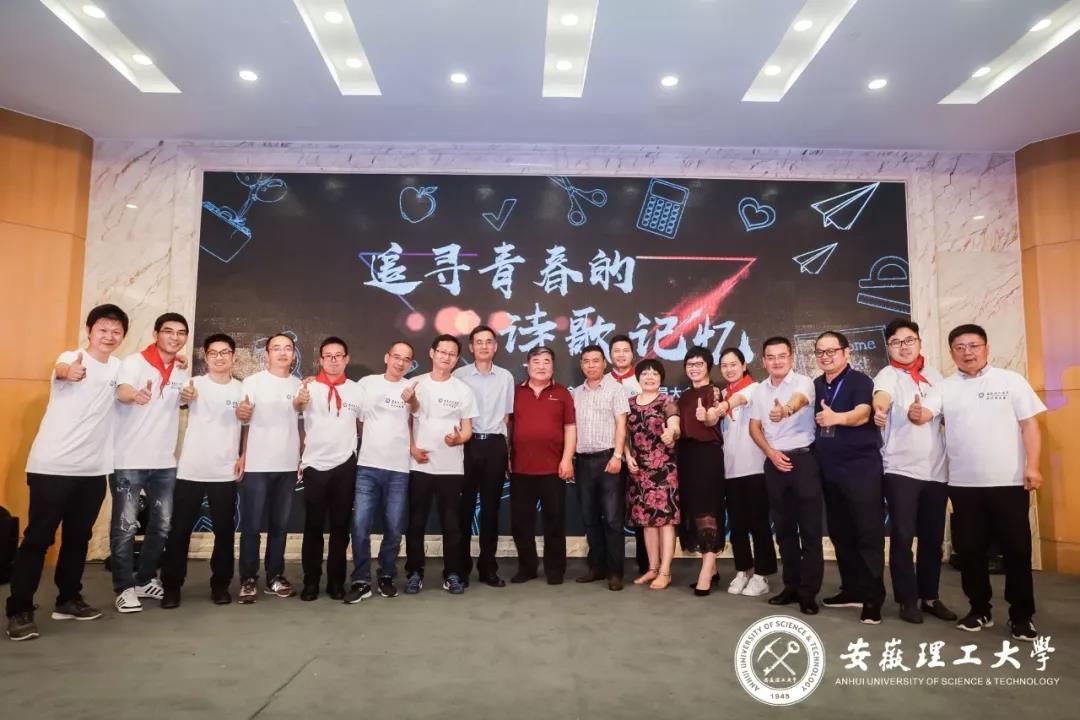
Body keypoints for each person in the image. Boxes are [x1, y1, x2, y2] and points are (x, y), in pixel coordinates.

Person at [5, 304, 128, 641]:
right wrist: (67, 372)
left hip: (93, 470)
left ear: (122, 336)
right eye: (103, 329)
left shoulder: (118, 367)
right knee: (38, 539)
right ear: (89, 331)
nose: (109, 336)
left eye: (116, 331)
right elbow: (60, 369)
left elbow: (127, 387)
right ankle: (19, 610)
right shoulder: (73, 357)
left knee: (78, 538)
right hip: (53, 467)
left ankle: (68, 599)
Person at [940, 324, 1046, 641]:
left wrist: (1033, 466)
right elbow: (924, 416)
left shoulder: (1010, 381)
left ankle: (1022, 616)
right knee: (971, 551)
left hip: (1009, 482)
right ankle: (979, 610)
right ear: (951, 353)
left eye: (973, 345)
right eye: (960, 347)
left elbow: (1030, 426)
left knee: (1017, 551)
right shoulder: (945, 387)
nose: (967, 352)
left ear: (986, 348)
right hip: (963, 484)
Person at [872, 320, 956, 624]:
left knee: (932, 538)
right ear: (889, 347)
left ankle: (930, 596)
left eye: (909, 340)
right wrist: (880, 410)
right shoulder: (887, 374)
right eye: (896, 342)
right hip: (900, 469)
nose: (904, 347)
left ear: (919, 342)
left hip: (936, 471)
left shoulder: (936, 377)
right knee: (903, 536)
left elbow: (945, 413)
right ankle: (907, 599)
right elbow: (882, 396)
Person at [110, 312, 190, 614]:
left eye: (180, 333)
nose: (174, 337)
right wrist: (134, 394)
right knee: (125, 527)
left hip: (164, 462)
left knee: (162, 524)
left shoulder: (180, 369)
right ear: (156, 334)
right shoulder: (134, 362)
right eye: (168, 331)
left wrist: (188, 395)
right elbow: (122, 391)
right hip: (128, 460)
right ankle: (124, 588)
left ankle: (144, 579)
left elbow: (182, 399)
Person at [161, 333, 243, 608]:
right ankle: (172, 587)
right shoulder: (193, 384)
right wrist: (184, 396)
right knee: (179, 531)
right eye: (213, 353)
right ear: (206, 357)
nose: (219, 357)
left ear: (233, 357)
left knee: (224, 532)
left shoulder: (241, 389)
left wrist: (243, 455)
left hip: (225, 471)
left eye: (224, 352)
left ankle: (220, 585)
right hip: (191, 470)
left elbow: (248, 424)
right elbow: (180, 398)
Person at [812, 331, 887, 625]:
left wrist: (837, 418)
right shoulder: (817, 384)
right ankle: (852, 589)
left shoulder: (860, 381)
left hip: (861, 470)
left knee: (867, 533)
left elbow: (863, 413)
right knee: (841, 533)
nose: (826, 356)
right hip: (830, 471)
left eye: (832, 351)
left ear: (846, 352)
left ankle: (873, 599)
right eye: (820, 352)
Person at [748, 336, 822, 615]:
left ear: (791, 357)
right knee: (784, 529)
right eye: (771, 357)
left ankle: (808, 592)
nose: (776, 361)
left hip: (803, 461)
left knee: (810, 530)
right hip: (774, 462)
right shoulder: (760, 390)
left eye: (782, 356)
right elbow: (754, 427)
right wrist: (770, 453)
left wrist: (785, 410)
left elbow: (798, 401)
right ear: (764, 361)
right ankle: (791, 586)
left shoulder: (804, 382)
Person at [404, 335, 478, 595]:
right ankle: (414, 572)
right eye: (442, 352)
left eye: (452, 354)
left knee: (452, 525)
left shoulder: (463, 390)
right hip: (420, 466)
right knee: (416, 523)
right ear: (432, 353)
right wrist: (412, 448)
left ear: (457, 359)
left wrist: (459, 439)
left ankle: (452, 574)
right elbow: (405, 422)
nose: (446, 357)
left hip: (451, 468)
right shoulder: (416, 384)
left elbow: (468, 430)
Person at [345, 341, 416, 603]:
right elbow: (356, 415)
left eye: (406, 359)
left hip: (399, 469)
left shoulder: (412, 387)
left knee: (395, 527)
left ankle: (386, 574)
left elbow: (416, 417)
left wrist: (413, 400)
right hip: (367, 466)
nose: (400, 362)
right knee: (360, 526)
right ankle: (361, 579)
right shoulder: (367, 383)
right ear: (387, 357)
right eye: (397, 356)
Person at [235, 333, 303, 604]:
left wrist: (301, 457)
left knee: (280, 526)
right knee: (251, 526)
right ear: (267, 354)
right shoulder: (252, 382)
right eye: (277, 348)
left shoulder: (299, 385)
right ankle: (248, 579)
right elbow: (244, 422)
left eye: (288, 348)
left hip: (287, 465)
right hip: (257, 465)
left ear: (294, 354)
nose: (282, 353)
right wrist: (243, 454)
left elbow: (301, 425)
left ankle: (275, 576)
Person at [295, 337, 359, 601]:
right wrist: (300, 400)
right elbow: (297, 407)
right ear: (321, 360)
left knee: (340, 528)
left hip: (345, 466)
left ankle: (336, 581)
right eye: (328, 356)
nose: (333, 360)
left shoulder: (357, 390)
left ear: (346, 359)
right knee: (313, 527)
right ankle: (311, 581)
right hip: (315, 466)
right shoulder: (307, 387)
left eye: (338, 355)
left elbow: (366, 421)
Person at [453, 325, 514, 588]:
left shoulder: (506, 377)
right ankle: (461, 568)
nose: (484, 346)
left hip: (495, 446)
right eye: (479, 342)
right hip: (467, 445)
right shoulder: (459, 376)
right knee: (464, 509)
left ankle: (488, 568)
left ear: (495, 346)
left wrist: (505, 450)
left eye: (489, 342)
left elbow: (507, 416)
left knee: (491, 510)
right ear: (471, 347)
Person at [509, 347, 576, 585]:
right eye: (536, 361)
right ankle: (527, 568)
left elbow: (570, 428)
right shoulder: (515, 392)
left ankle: (555, 570)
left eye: (546, 361)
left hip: (553, 469)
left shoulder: (562, 393)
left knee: (555, 522)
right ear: (528, 365)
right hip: (520, 469)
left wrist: (567, 459)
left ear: (553, 367)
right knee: (521, 523)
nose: (541, 366)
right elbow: (506, 424)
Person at [718, 347, 777, 598]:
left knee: (759, 524)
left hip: (755, 468)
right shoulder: (721, 394)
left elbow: (740, 400)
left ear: (743, 366)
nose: (729, 369)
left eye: (734, 364)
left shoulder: (756, 389)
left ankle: (762, 575)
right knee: (738, 526)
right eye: (724, 365)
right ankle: (743, 570)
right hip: (730, 470)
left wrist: (723, 405)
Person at [572, 345, 631, 591]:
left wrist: (617, 456)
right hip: (583, 461)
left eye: (595, 360)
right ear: (581, 365)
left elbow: (621, 424)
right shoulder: (576, 393)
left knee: (613, 519)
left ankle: (615, 572)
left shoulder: (616, 389)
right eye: (586, 361)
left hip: (609, 461)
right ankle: (597, 567)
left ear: (604, 363)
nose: (591, 365)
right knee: (590, 518)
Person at [624, 359, 681, 590]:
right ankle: (653, 568)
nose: (650, 377)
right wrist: (626, 455)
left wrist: (672, 433)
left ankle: (666, 571)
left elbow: (675, 424)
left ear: (661, 378)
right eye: (645, 373)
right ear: (638, 378)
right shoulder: (629, 404)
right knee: (647, 522)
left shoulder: (667, 401)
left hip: (663, 469)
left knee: (665, 522)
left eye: (654, 373)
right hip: (639, 471)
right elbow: (621, 434)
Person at [676, 347, 726, 596]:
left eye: (699, 364)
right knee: (694, 509)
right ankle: (712, 568)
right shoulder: (684, 396)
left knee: (708, 509)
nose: (694, 368)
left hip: (707, 456)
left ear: (708, 366)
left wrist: (707, 417)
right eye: (690, 364)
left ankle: (706, 572)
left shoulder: (714, 392)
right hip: (685, 456)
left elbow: (713, 418)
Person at [609, 334, 648, 577]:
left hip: (640, 457)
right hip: (611, 457)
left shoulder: (642, 380)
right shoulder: (602, 381)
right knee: (611, 513)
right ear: (610, 355)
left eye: (625, 350)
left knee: (642, 509)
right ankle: (610, 565)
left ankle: (646, 563)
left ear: (632, 354)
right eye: (616, 350)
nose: (621, 354)